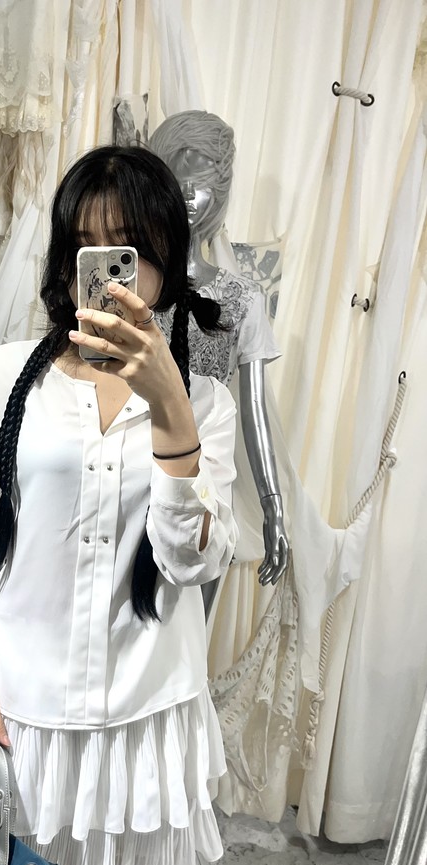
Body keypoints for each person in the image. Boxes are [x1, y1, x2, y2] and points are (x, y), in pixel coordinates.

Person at [0, 145, 238, 865]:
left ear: (164, 258)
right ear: (67, 261)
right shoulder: (3, 380)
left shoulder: (206, 408)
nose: (106, 271)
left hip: (139, 713)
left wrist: (171, 410)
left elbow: (191, 560)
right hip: (16, 711)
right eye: (86, 247)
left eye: (126, 247)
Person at [150, 111, 289, 590]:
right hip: (136, 464)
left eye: (203, 181)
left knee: (193, 614)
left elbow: (254, 413)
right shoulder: (135, 287)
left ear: (221, 188)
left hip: (209, 478)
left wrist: (273, 506)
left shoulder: (242, 299)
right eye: (178, 179)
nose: (189, 193)